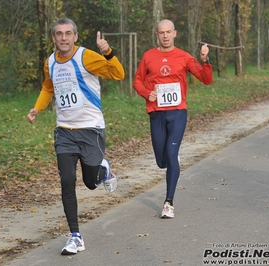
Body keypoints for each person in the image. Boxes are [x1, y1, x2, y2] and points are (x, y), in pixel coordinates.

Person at [26, 18, 125, 255]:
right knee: (67, 181)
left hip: (91, 129)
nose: (63, 38)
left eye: (68, 33)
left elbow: (118, 74)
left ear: (75, 36)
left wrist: (108, 52)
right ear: (53, 38)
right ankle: (75, 236)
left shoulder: (86, 57)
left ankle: (104, 169)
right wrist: (37, 108)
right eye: (59, 34)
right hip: (65, 132)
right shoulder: (49, 62)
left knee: (91, 183)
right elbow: (48, 88)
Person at [133, 19, 213, 219]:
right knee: (162, 161)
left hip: (177, 112)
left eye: (169, 32)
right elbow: (137, 81)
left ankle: (169, 202)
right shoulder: (148, 56)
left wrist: (204, 60)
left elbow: (206, 79)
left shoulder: (184, 57)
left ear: (175, 33)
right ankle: (171, 158)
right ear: (157, 35)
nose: (166, 36)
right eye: (162, 33)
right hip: (156, 112)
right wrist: (146, 93)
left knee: (170, 151)